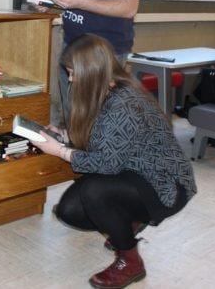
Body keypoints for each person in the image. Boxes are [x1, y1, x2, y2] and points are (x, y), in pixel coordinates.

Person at [30, 34, 197, 289]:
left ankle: (130, 261)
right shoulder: (106, 91)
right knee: (70, 211)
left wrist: (60, 151)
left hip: (166, 185)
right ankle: (128, 220)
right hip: (133, 172)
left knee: (93, 191)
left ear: (91, 72)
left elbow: (106, 163)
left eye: (73, 73)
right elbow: (104, 138)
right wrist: (63, 135)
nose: (71, 79)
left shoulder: (125, 103)